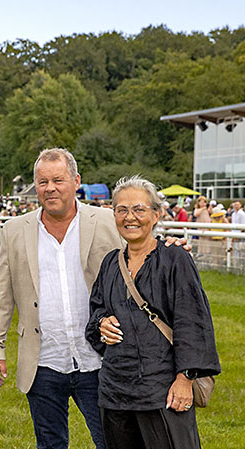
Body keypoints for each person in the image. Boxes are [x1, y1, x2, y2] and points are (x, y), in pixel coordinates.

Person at [0, 148, 118, 449]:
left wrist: (171, 247)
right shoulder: (15, 230)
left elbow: (141, 253)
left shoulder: (107, 221)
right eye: (42, 182)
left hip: (99, 360)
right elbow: (1, 294)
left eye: (58, 180)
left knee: (112, 441)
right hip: (43, 362)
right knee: (50, 444)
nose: (50, 188)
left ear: (76, 181)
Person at [86, 175, 220, 449]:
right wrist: (101, 323)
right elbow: (96, 311)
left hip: (162, 391)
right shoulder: (111, 262)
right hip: (115, 391)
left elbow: (192, 321)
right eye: (121, 210)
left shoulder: (174, 258)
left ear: (156, 215)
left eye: (138, 209)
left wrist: (185, 379)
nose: (129, 217)